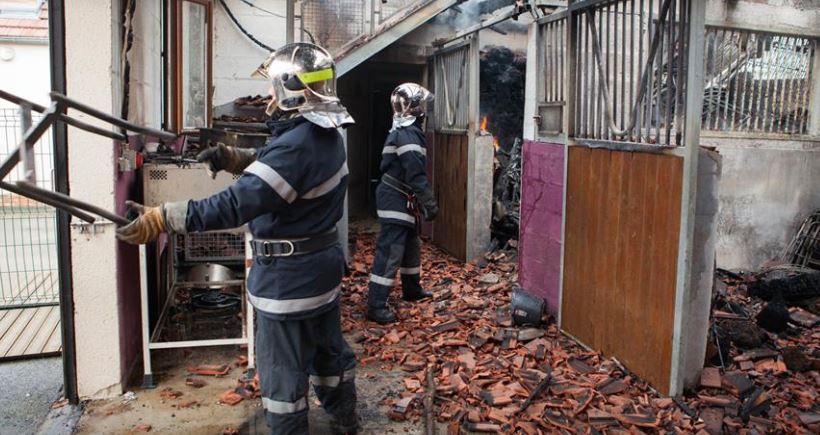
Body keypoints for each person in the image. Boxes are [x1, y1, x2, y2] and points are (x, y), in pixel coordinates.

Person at [116, 43, 358, 435]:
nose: (268, 97)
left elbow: (234, 204)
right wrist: (235, 157)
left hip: (288, 282)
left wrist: (165, 217)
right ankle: (346, 419)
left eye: (273, 88)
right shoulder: (323, 134)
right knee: (329, 354)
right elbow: (285, 168)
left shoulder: (298, 145)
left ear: (291, 89)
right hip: (318, 271)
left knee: (283, 380)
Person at [366, 83, 439, 324]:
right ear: (414, 108)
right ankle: (376, 305)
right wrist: (429, 202)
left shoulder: (407, 131)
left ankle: (412, 289)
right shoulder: (407, 134)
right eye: (422, 105)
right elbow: (415, 174)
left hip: (400, 197)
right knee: (390, 252)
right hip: (395, 198)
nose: (425, 110)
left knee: (410, 245)